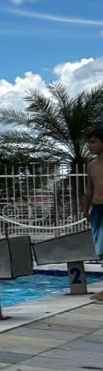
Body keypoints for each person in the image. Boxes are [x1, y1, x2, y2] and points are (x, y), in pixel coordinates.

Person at [84, 129, 103, 302]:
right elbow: (90, 189)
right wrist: (86, 209)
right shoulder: (91, 165)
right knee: (101, 250)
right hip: (98, 209)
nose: (90, 145)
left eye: (94, 141)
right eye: (88, 142)